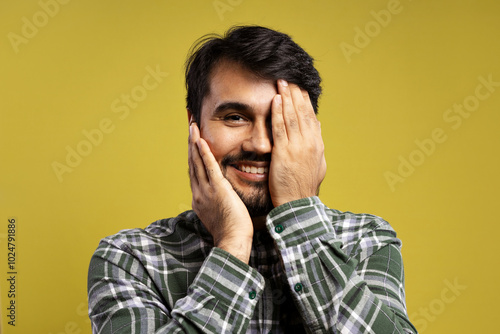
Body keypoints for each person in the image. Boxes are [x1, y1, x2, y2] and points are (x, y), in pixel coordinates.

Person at [87, 25, 417, 333]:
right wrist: (231, 245)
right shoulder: (131, 259)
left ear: (311, 135)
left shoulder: (365, 240)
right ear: (194, 124)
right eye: (234, 117)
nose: (259, 144)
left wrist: (300, 210)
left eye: (280, 122)